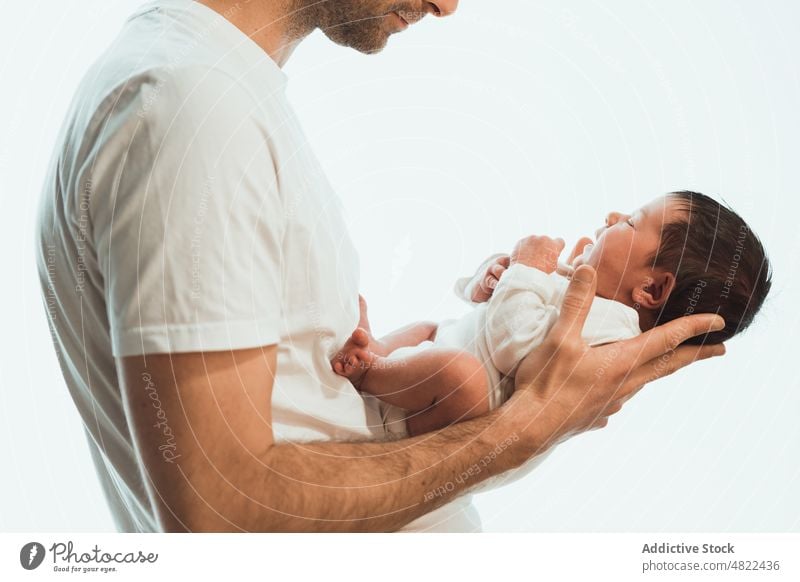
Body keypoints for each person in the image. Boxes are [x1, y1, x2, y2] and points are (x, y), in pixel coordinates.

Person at [35, 0, 725, 533]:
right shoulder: (192, 106)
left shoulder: (218, 95)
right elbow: (220, 509)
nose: (449, 5)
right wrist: (529, 427)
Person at [332, 192, 772, 438]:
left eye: (632, 223)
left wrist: (525, 268)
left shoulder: (612, 332)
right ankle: (381, 351)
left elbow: (514, 345)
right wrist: (489, 279)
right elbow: (484, 306)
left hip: (435, 414)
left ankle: (368, 372)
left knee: (459, 374)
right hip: (423, 369)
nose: (613, 215)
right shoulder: (574, 282)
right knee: (430, 329)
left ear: (652, 289)